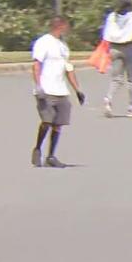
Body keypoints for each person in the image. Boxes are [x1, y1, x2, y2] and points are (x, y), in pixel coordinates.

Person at [31, 16, 86, 168]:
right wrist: (38, 85)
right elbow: (36, 65)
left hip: (61, 90)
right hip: (46, 89)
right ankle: (37, 149)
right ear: (60, 26)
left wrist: (77, 90)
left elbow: (69, 69)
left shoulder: (63, 46)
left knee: (58, 124)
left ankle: (51, 156)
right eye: (66, 26)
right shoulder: (43, 42)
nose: (68, 29)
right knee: (47, 121)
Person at [102, 0, 132, 118]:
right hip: (129, 48)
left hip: (114, 48)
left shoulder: (112, 16)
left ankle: (109, 98)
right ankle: (131, 108)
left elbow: (107, 33)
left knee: (116, 79)